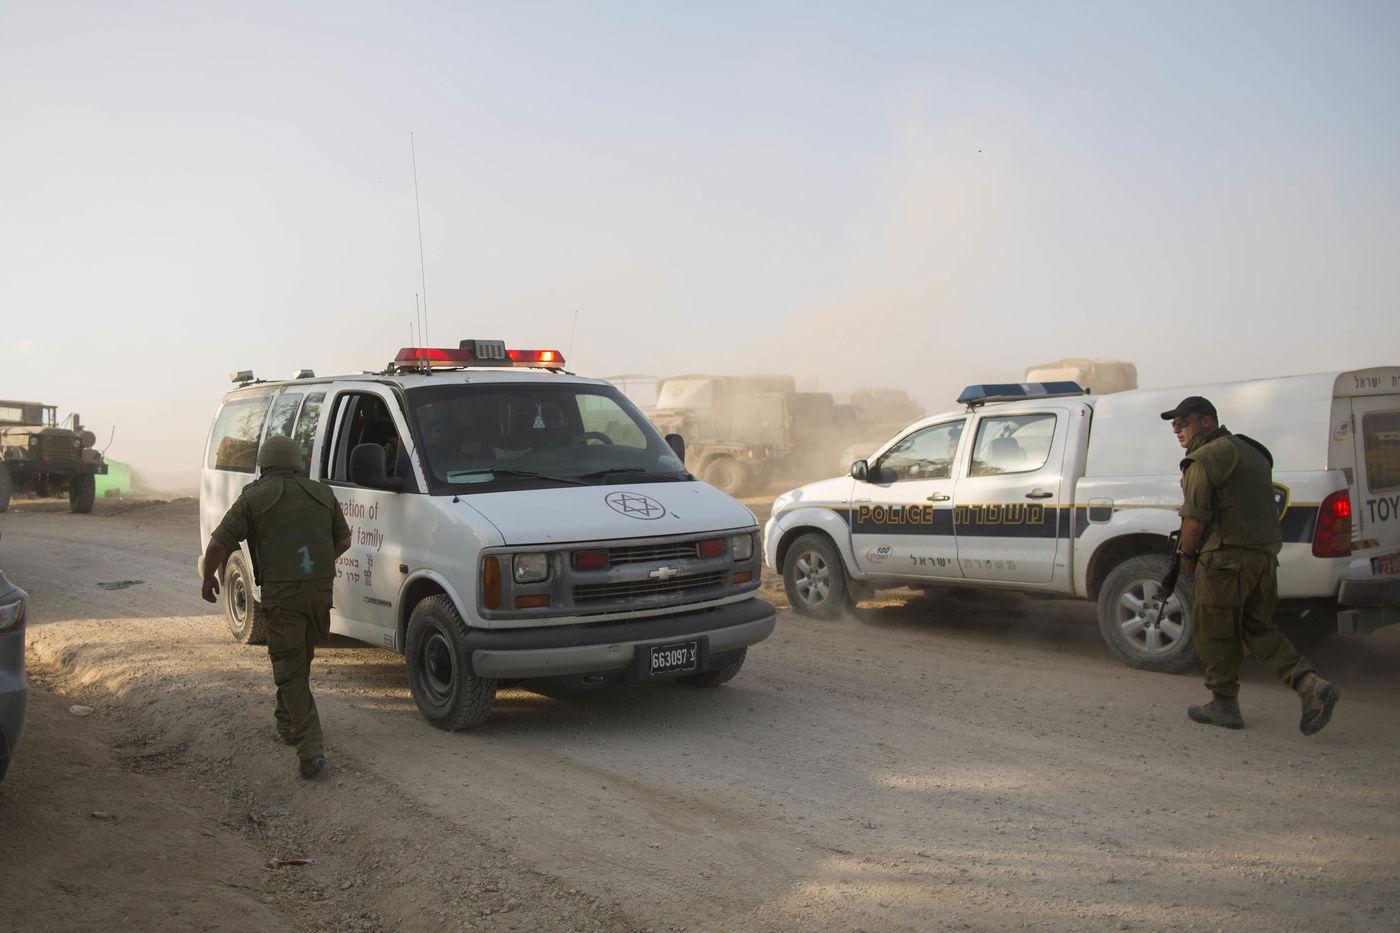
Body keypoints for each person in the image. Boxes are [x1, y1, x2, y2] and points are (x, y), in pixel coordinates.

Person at [1162, 396, 1339, 734]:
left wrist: (1187, 556)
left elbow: (1194, 521)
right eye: (1174, 424)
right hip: (1263, 557)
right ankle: (1310, 684)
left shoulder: (1203, 459)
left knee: (1213, 630)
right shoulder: (1253, 450)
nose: (1176, 430)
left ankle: (1224, 705)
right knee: (1257, 628)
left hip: (1225, 559)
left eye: (1183, 422)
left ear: (1206, 422)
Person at [200, 435, 351, 778]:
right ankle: (287, 724)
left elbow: (218, 544)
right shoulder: (322, 493)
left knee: (290, 669)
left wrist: (209, 578)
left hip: (283, 595)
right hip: (319, 591)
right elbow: (344, 540)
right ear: (297, 461)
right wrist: (318, 565)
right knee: (299, 659)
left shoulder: (253, 497)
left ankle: (310, 750)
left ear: (264, 464)